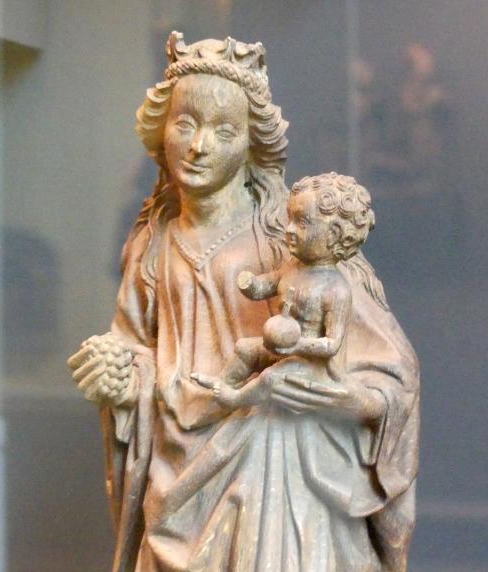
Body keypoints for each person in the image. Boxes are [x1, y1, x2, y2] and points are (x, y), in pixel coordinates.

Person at [68, 31, 420, 572]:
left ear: (252, 143)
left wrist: (331, 398)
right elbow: (137, 349)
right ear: (161, 129)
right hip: (176, 476)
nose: (199, 146)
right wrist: (117, 374)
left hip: (280, 476)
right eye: (185, 124)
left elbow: (391, 380)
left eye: (223, 130)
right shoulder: (151, 243)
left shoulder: (295, 237)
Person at [191, 172, 376, 411]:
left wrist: (297, 346)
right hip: (281, 346)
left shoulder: (336, 290)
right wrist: (251, 285)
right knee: (245, 348)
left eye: (301, 223)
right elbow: (270, 284)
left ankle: (235, 399)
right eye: (290, 220)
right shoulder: (293, 267)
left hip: (312, 364)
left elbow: (332, 344)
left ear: (333, 235)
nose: (289, 229)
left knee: (271, 378)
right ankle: (223, 384)